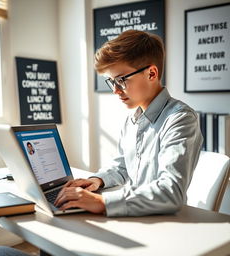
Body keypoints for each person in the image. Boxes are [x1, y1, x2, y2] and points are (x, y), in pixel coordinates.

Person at [54, 30, 203, 217]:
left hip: (164, 223)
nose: (116, 91)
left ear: (151, 73)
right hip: (134, 215)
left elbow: (170, 192)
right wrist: (96, 180)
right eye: (112, 82)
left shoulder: (180, 119)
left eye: (121, 80)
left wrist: (102, 201)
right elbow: (122, 166)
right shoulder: (132, 120)